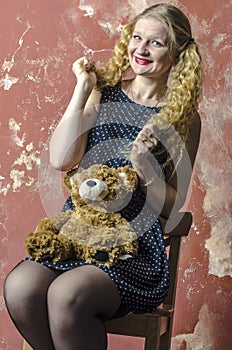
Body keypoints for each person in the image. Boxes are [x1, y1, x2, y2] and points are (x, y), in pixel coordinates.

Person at [4, 3, 202, 350]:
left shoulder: (182, 116)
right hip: (77, 232)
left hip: (134, 248)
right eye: (137, 38)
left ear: (177, 53)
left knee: (68, 295)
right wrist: (82, 87)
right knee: (21, 287)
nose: (141, 49)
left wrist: (144, 166)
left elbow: (173, 207)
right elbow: (61, 159)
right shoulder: (103, 93)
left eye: (155, 43)